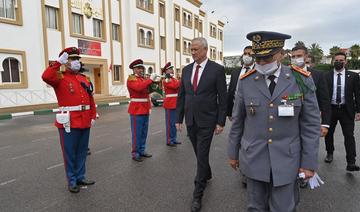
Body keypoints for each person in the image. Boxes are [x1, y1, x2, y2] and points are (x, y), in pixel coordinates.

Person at [228, 31, 320, 211]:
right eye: (258, 58)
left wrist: (308, 164)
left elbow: (310, 125)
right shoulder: (246, 81)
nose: (261, 63)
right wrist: (232, 153)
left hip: (287, 159)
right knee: (255, 207)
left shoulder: (300, 79)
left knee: (283, 208)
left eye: (267, 58)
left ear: (281, 54)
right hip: (253, 156)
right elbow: (238, 120)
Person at [176, 37, 227, 212]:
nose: (192, 52)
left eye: (196, 49)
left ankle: (197, 194)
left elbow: (223, 97)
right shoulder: (187, 70)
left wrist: (221, 121)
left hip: (208, 119)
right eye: (191, 49)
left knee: (202, 153)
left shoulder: (217, 70)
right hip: (191, 119)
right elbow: (182, 95)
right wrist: (178, 118)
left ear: (205, 50)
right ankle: (208, 172)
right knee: (199, 152)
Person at [42, 47, 96, 193]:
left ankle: (80, 176)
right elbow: (46, 76)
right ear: (66, 62)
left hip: (84, 119)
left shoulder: (84, 78)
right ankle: (72, 180)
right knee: (70, 153)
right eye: (73, 59)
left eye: (78, 59)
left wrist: (92, 115)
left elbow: (90, 99)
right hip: (69, 121)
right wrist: (57, 63)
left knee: (82, 151)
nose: (77, 62)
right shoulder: (59, 77)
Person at [324, 52, 360, 171]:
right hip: (331, 110)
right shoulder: (326, 76)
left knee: (349, 135)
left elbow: (358, 94)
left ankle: (351, 162)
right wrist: (321, 109)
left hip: (346, 110)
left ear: (345, 62)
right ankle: (329, 152)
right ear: (333, 61)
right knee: (328, 133)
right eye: (336, 60)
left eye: (341, 60)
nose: (338, 62)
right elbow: (322, 95)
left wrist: (359, 110)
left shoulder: (353, 76)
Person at [127, 59, 158, 162]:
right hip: (136, 109)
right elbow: (139, 88)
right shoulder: (131, 79)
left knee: (144, 132)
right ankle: (135, 152)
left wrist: (154, 84)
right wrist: (150, 80)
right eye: (139, 68)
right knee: (137, 132)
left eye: (142, 68)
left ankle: (142, 150)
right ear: (134, 69)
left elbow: (147, 92)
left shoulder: (143, 79)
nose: (141, 70)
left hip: (144, 107)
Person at [227, 45, 255, 120]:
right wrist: (229, 112)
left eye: (249, 54)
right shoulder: (236, 72)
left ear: (254, 56)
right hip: (236, 109)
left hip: (253, 110)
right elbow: (231, 91)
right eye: (245, 54)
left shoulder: (258, 71)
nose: (246, 56)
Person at [162, 62, 181, 147]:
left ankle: (173, 138)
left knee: (175, 123)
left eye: (172, 69)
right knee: (170, 123)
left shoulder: (173, 78)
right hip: (170, 103)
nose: (172, 70)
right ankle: (169, 140)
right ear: (166, 71)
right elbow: (174, 86)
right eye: (170, 69)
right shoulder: (166, 79)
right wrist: (182, 80)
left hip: (175, 102)